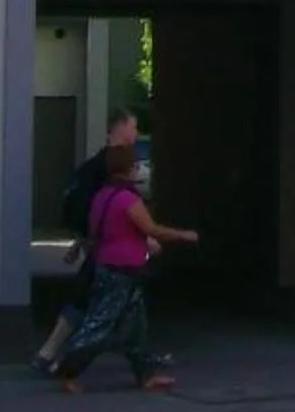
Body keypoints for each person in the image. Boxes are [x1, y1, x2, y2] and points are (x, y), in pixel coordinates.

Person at [51, 145, 197, 394]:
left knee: (136, 325)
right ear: (127, 168)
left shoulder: (102, 196)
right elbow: (150, 228)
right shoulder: (127, 199)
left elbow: (98, 230)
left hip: (111, 265)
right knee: (101, 323)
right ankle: (67, 369)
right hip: (122, 269)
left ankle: (146, 374)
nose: (138, 168)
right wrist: (183, 235)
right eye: (135, 164)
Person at [32, 107, 140, 374]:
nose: (136, 134)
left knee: (90, 299)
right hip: (112, 250)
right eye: (133, 127)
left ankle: (51, 353)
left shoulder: (93, 166)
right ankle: (62, 359)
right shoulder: (112, 167)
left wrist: (81, 240)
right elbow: (114, 209)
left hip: (102, 245)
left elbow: (92, 209)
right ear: (120, 128)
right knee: (102, 306)